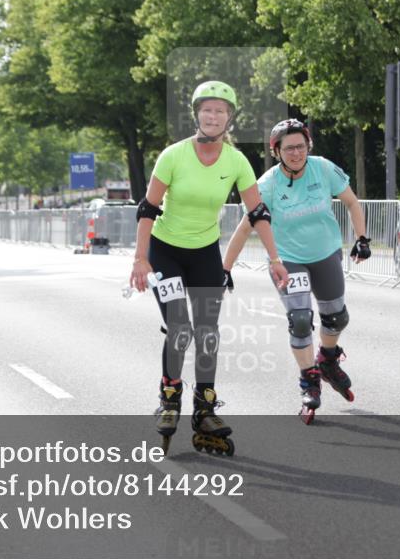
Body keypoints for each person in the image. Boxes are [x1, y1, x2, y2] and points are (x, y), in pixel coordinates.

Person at [130, 80, 289, 454]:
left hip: (204, 253)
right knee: (180, 326)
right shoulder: (173, 155)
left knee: (207, 331)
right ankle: (170, 397)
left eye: (220, 111)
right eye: (207, 110)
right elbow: (147, 209)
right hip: (164, 251)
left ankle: (205, 407)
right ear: (197, 114)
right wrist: (140, 258)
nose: (213, 116)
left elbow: (258, 212)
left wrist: (275, 259)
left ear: (229, 118)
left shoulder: (236, 161)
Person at [222, 118, 371, 425]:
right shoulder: (267, 185)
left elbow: (353, 204)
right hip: (288, 259)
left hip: (325, 252)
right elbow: (242, 230)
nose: (296, 153)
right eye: (288, 148)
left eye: (301, 146)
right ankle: (309, 379)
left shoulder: (323, 169)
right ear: (277, 151)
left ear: (308, 146)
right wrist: (225, 269)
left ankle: (328, 359)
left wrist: (362, 239)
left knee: (337, 317)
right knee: (301, 320)